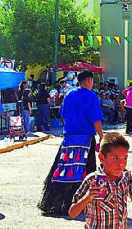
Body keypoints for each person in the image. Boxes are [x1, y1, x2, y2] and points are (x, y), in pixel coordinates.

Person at [69, 133, 132, 229]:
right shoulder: (92, 180)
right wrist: (88, 197)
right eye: (115, 158)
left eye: (125, 158)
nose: (121, 164)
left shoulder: (126, 177)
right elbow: (72, 212)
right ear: (101, 157)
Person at [38, 69, 104, 216]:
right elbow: (96, 119)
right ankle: (86, 202)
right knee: (88, 171)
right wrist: (101, 136)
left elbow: (63, 116)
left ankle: (58, 201)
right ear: (88, 80)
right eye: (92, 80)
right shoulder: (92, 96)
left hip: (69, 140)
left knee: (64, 169)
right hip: (86, 139)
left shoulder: (68, 95)